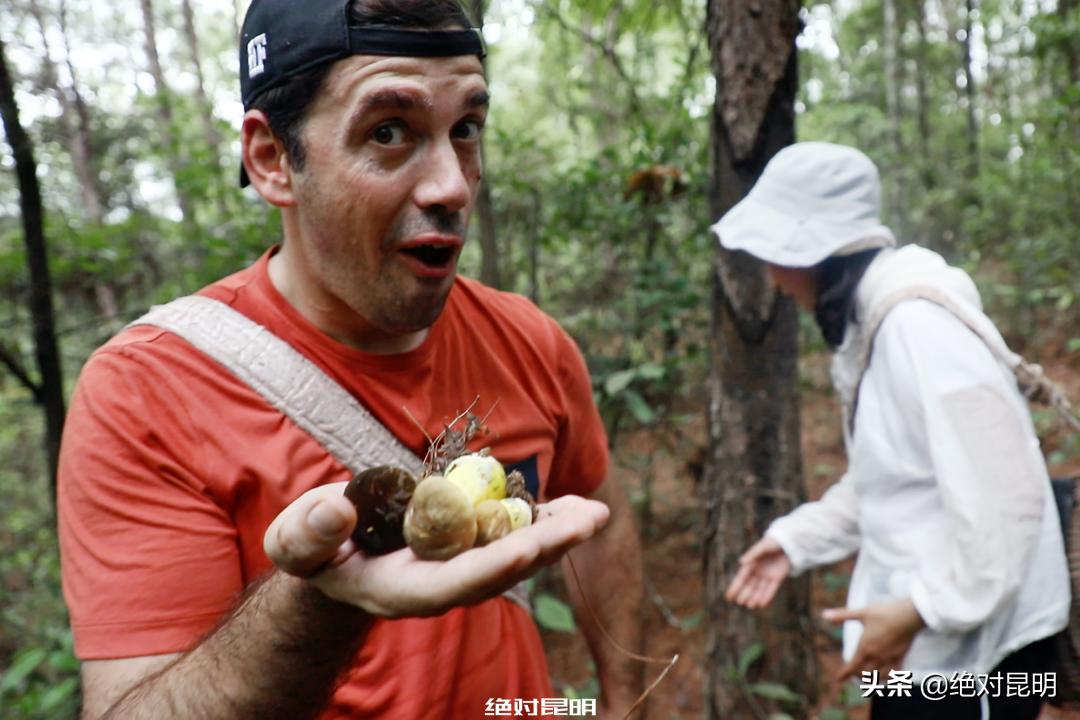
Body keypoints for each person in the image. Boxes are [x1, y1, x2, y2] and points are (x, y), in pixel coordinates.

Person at [57, 1, 644, 718]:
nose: (454, 185)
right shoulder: (148, 391)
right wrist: (323, 599)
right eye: (389, 132)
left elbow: (598, 510)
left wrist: (619, 702)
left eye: (465, 129)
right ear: (273, 160)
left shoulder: (531, 340)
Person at [716, 142, 1069, 719]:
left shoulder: (917, 328)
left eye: (780, 255)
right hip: (934, 641)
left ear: (822, 253)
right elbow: (892, 477)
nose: (777, 280)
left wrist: (921, 610)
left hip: (979, 658)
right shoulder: (872, 326)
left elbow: (1007, 504)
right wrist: (795, 541)